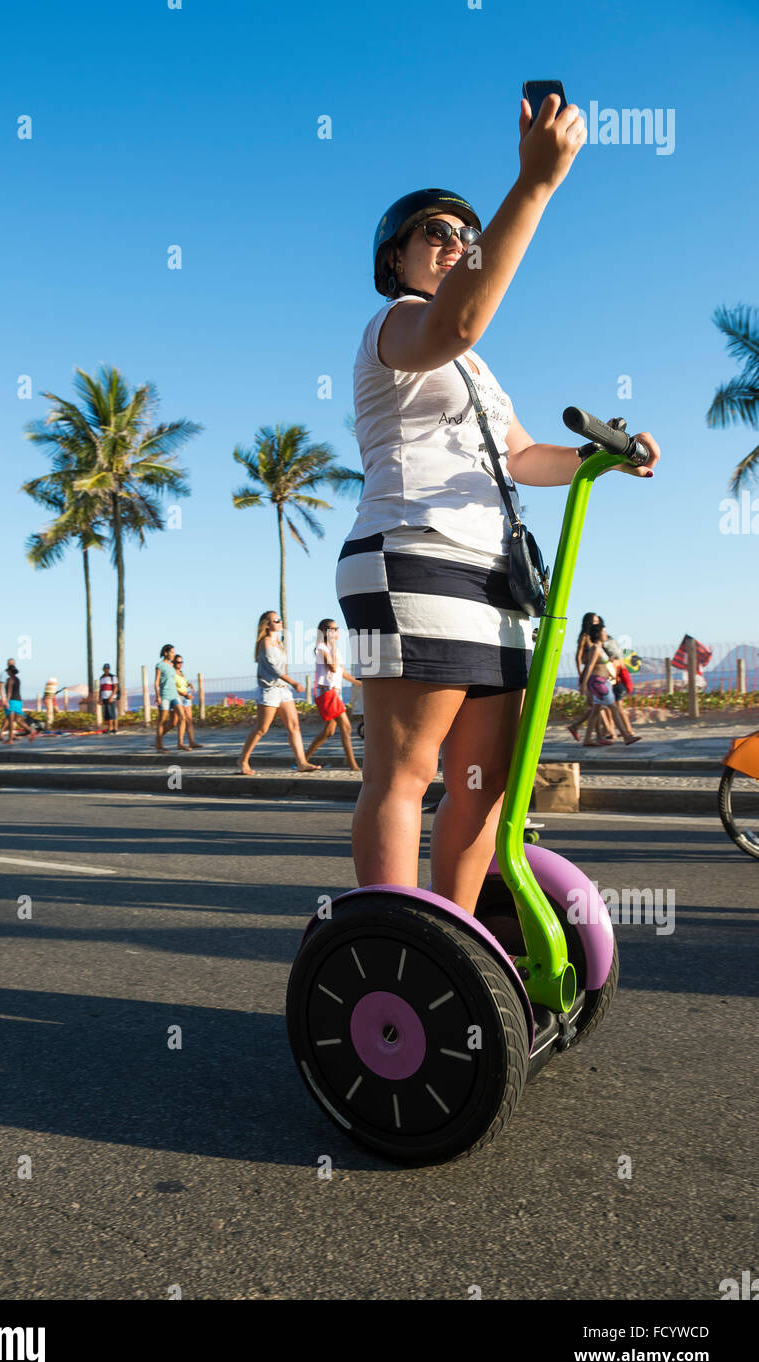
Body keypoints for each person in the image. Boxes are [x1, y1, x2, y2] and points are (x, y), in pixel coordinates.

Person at [334, 102, 660, 914]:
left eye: (463, 237)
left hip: (495, 579)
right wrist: (536, 181)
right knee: (403, 774)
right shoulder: (401, 327)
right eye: (435, 234)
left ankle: (459, 946)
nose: (454, 245)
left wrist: (601, 456)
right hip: (407, 558)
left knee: (482, 786)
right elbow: (462, 316)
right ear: (395, 258)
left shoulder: (477, 370)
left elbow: (521, 457)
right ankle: (396, 947)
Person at [238, 611, 322, 774]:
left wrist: (288, 684)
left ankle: (302, 762)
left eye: (280, 619)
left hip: (283, 690)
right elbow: (274, 668)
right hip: (269, 689)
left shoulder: (279, 643)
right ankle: (243, 760)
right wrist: (294, 683)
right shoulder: (266, 642)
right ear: (267, 625)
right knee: (262, 728)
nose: (280, 622)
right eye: (276, 620)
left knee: (294, 726)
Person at [304, 618, 362, 771]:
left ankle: (302, 760)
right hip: (327, 692)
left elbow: (342, 672)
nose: (336, 631)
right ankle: (353, 765)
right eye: (332, 629)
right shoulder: (321, 648)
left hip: (335, 692)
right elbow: (333, 667)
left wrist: (360, 684)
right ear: (324, 632)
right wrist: (333, 645)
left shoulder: (331, 649)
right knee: (346, 727)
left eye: (337, 629)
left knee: (328, 732)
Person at [579, 622, 640, 747]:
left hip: (603, 681)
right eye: (604, 632)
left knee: (595, 711)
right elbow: (590, 666)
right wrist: (584, 685)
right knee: (614, 708)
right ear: (598, 634)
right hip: (598, 682)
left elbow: (602, 664)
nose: (606, 634)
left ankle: (586, 738)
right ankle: (626, 736)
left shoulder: (601, 648)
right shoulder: (595, 647)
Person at [568, 612, 615, 742]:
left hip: (597, 675)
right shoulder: (585, 637)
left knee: (598, 706)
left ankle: (598, 734)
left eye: (597, 621)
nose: (597, 623)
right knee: (598, 705)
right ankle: (601, 734)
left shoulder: (597, 639)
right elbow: (578, 657)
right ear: (588, 622)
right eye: (594, 621)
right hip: (590, 674)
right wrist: (580, 675)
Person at [171, 655, 202, 749]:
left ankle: (191, 742)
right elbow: (172, 687)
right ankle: (179, 743)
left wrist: (189, 684)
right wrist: (184, 694)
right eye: (177, 662)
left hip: (186, 697)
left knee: (189, 720)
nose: (180, 664)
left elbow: (182, 683)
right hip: (178, 697)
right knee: (180, 720)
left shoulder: (181, 673)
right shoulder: (172, 673)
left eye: (181, 662)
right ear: (173, 663)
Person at [154, 643, 179, 750]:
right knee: (162, 721)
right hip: (164, 695)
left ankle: (180, 742)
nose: (174, 654)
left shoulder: (172, 666)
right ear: (166, 653)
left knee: (176, 720)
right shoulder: (159, 665)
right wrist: (158, 696)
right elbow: (156, 682)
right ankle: (159, 744)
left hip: (174, 695)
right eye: (172, 652)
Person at [1, 663, 34, 743]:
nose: (7, 672)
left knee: (11, 720)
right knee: (18, 720)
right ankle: (31, 731)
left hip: (12, 701)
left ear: (10, 671)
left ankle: (10, 739)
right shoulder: (18, 679)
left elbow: (9, 691)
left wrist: (7, 701)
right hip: (19, 701)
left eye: (8, 671)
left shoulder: (10, 679)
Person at [99, 664, 119, 733]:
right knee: (107, 713)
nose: (106, 670)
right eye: (105, 668)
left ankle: (115, 728)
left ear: (109, 669)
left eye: (107, 668)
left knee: (113, 712)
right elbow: (100, 689)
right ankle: (110, 728)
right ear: (103, 669)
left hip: (111, 697)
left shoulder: (113, 677)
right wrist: (100, 698)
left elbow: (116, 687)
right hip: (104, 697)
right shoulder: (101, 678)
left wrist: (111, 697)